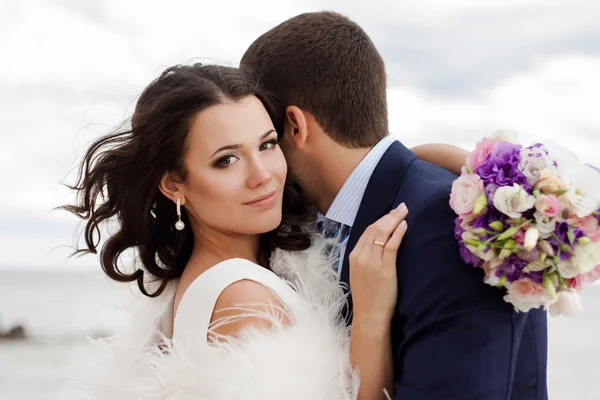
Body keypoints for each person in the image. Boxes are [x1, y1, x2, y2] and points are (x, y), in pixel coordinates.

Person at [65, 63, 468, 399]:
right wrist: (370, 316)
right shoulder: (243, 300)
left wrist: (430, 162)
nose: (263, 176)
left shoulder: (213, 278)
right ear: (174, 184)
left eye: (267, 144)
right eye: (226, 160)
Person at [240, 11, 548, 400]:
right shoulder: (311, 223)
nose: (262, 164)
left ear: (295, 127)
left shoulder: (447, 225)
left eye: (265, 141)